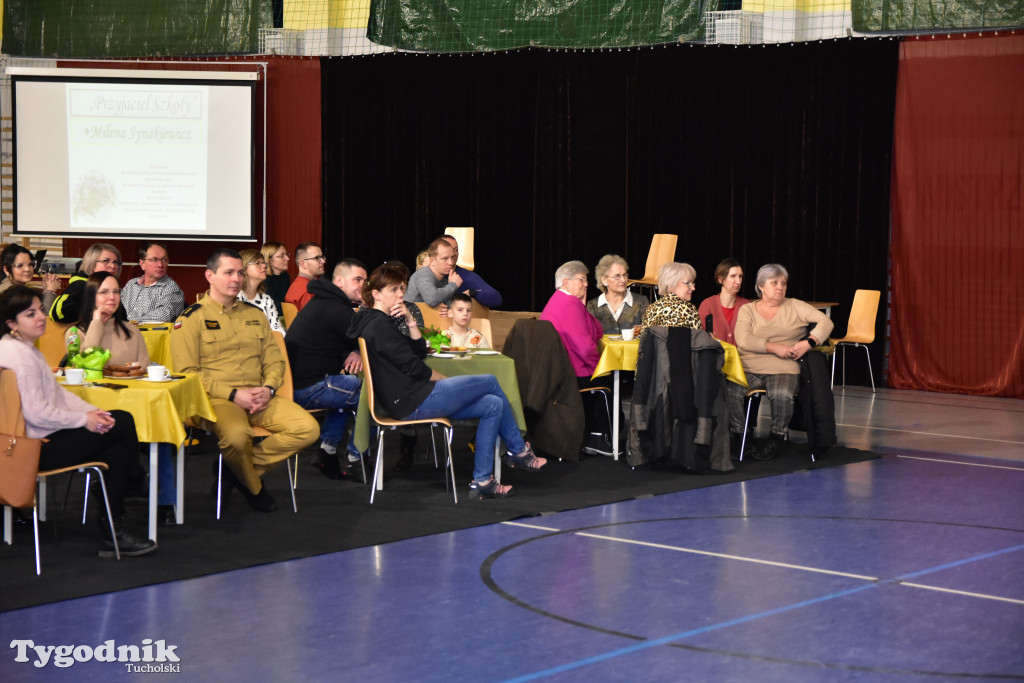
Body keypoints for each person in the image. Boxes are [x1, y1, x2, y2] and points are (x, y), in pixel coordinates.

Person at [348, 262, 545, 499]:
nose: (401, 294)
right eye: (393, 290)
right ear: (377, 294)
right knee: (491, 381)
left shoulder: (380, 321)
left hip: (412, 396)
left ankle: (483, 481)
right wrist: (442, 380)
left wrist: (411, 320)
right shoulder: (378, 326)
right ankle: (518, 450)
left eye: (401, 288)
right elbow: (414, 367)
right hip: (412, 400)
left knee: (494, 404)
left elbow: (419, 350)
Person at [0, 285, 156, 557]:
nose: (40, 317)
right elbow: (37, 413)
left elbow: (57, 395)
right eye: (30, 314)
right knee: (122, 423)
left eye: (40, 310)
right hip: (31, 448)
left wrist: (94, 414)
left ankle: (115, 528)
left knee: (116, 440)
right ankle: (128, 491)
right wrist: (84, 419)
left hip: (38, 438)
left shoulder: (23, 348)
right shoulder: (19, 355)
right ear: (12, 323)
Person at [171, 248, 319, 512]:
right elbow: (187, 374)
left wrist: (270, 387)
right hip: (215, 401)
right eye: (228, 272)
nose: (236, 279)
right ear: (209, 276)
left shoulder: (254, 314)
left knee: (307, 429)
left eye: (239, 272)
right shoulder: (191, 318)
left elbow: (275, 360)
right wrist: (232, 394)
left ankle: (236, 470)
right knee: (238, 438)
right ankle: (253, 486)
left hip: (259, 397)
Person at [68, 272, 178, 525]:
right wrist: (96, 322)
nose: (112, 297)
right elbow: (84, 366)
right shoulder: (76, 333)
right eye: (104, 292)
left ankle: (164, 503)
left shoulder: (131, 331)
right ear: (91, 297)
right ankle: (127, 485)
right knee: (118, 438)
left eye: (116, 292)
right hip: (99, 414)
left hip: (137, 409)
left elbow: (144, 371)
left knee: (163, 438)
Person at [732, 263, 833, 460]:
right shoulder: (747, 310)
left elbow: (826, 322)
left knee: (782, 393)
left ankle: (777, 437)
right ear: (761, 286)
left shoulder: (795, 306)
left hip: (784, 367)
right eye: (774, 283)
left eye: (783, 283)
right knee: (730, 391)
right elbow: (743, 340)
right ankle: (739, 436)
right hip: (749, 365)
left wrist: (808, 342)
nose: (780, 287)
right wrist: (773, 347)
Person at [286, 258, 367, 479]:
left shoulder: (325, 301)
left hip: (297, 383)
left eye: (365, 281)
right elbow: (374, 339)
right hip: (305, 388)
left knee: (346, 387)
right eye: (357, 279)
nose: (363, 286)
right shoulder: (337, 309)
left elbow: (339, 339)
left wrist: (353, 350)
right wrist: (370, 309)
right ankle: (356, 458)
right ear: (339, 281)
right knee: (371, 394)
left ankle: (327, 451)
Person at [540, 260, 608, 454]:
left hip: (561, 370)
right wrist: (600, 367)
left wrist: (582, 305)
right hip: (574, 371)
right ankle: (597, 438)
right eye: (581, 279)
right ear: (566, 282)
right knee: (609, 377)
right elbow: (586, 347)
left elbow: (597, 330)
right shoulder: (569, 304)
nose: (586, 284)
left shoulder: (560, 301)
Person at [50, 243, 124, 323]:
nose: (113, 266)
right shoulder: (81, 285)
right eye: (106, 261)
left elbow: (122, 319)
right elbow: (58, 312)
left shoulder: (113, 289)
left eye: (116, 262)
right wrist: (94, 316)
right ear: (91, 263)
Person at [120, 242, 185, 322]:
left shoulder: (171, 287)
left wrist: (130, 324)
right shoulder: (131, 284)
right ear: (142, 263)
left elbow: (163, 316)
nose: (160, 265)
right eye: (154, 260)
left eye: (164, 259)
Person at [586, 253, 649, 336]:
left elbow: (649, 333)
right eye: (617, 276)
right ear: (604, 280)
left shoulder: (641, 302)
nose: (623, 280)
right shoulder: (593, 306)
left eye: (625, 275)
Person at [640, 262, 702, 341]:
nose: (693, 288)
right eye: (688, 283)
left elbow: (644, 343)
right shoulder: (689, 310)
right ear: (671, 285)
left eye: (693, 283)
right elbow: (698, 344)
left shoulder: (651, 309)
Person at [697, 258, 751, 347]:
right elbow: (700, 339)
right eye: (733, 276)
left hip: (741, 360)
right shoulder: (707, 305)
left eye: (740, 276)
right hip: (715, 359)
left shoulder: (747, 306)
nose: (738, 281)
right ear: (720, 280)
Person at [439, 234, 503, 308]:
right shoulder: (427, 273)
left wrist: (471, 293)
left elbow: (496, 298)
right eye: (448, 249)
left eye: (456, 250)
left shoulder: (465, 276)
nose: (453, 253)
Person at [0, 243, 59, 316]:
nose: (27, 269)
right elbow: (41, 321)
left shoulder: (17, 288)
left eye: (30, 264)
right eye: (20, 265)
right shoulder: (8, 294)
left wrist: (45, 291)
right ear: (6, 270)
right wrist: (50, 292)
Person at [404, 237, 463, 309]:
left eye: (452, 257)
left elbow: (449, 304)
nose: (451, 263)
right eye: (445, 258)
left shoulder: (444, 280)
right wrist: (453, 285)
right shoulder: (423, 274)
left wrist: (447, 309)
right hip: (408, 319)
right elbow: (432, 299)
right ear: (432, 261)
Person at [237, 249, 285, 334]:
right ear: (243, 268)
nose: (264, 266)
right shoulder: (235, 298)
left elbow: (278, 329)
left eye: (263, 263)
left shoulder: (266, 299)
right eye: (257, 263)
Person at [284, 242, 325, 311]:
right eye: (317, 258)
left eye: (322, 257)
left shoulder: (295, 286)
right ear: (303, 264)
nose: (323, 261)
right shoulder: (309, 290)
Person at [261, 242, 291, 317]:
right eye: (281, 256)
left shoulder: (285, 276)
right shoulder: (263, 280)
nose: (287, 258)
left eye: (286, 254)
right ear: (269, 260)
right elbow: (276, 308)